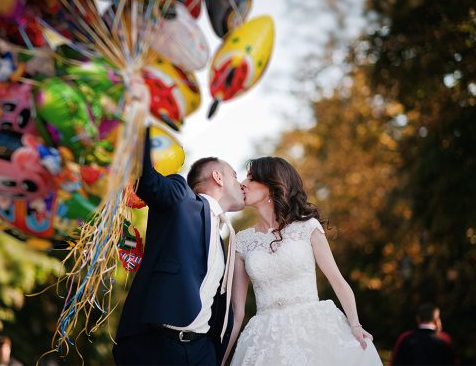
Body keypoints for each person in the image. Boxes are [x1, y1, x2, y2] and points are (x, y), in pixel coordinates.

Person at [223, 156, 382, 365]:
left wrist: (355, 325)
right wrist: (221, 358)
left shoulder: (307, 227)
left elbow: (337, 280)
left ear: (272, 185)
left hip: (315, 330)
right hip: (264, 340)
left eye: (251, 179)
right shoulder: (241, 241)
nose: (243, 183)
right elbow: (237, 312)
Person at [113, 127, 245, 365]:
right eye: (235, 175)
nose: (241, 183)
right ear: (218, 177)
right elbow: (148, 181)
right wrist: (141, 121)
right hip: (155, 347)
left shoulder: (223, 237)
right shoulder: (182, 197)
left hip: (202, 353)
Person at [391, 303, 455, 365]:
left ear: (418, 318)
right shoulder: (445, 340)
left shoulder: (405, 338)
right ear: (437, 320)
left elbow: (395, 362)